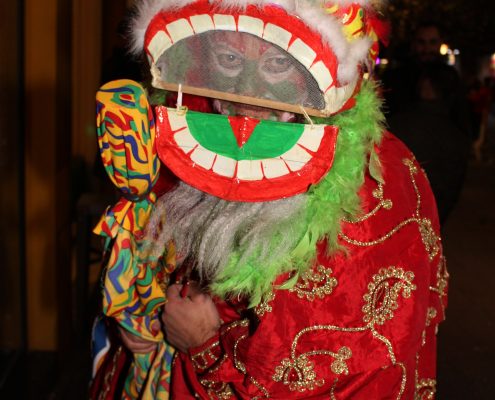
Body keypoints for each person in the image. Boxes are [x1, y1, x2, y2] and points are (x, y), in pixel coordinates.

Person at [91, 1, 448, 399]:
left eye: (278, 63)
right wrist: (142, 317)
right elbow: (153, 242)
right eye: (229, 58)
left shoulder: (375, 182)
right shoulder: (192, 123)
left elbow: (352, 372)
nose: (248, 92)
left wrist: (204, 343)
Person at [381, 21, 471, 226]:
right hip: (402, 163)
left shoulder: (450, 77)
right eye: (422, 42)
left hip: (442, 165)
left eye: (432, 42)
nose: (427, 48)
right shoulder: (396, 77)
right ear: (414, 44)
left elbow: (461, 118)